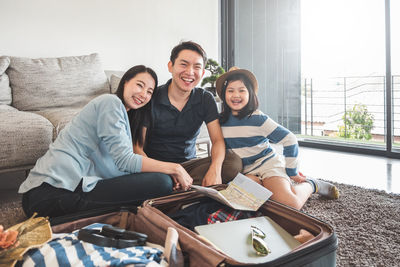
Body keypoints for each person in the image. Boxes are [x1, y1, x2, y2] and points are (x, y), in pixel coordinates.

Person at [19, 65, 193, 218]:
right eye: (139, 85)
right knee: (161, 183)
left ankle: (99, 215)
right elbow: (125, 161)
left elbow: (122, 169)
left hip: (60, 193)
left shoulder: (123, 120)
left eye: (149, 92)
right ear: (125, 83)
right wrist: (175, 168)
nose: (143, 94)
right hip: (50, 193)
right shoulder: (110, 102)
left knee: (157, 183)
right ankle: (79, 219)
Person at [215, 67, 339, 210]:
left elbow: (290, 139)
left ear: (250, 94)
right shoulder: (220, 121)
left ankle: (312, 185)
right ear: (224, 95)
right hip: (246, 171)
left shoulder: (258, 118)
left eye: (241, 90)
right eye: (230, 90)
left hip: (269, 165)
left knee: (290, 204)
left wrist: (292, 172)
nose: (236, 95)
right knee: (244, 202)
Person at [143, 41, 242, 186]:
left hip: (189, 166)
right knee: (161, 182)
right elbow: (137, 148)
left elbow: (217, 140)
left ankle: (179, 189)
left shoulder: (205, 98)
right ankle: (182, 189)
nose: (190, 72)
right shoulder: (151, 97)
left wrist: (214, 169)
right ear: (171, 66)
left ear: (202, 73)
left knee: (233, 163)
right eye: (183, 64)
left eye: (197, 67)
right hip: (157, 169)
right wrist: (169, 169)